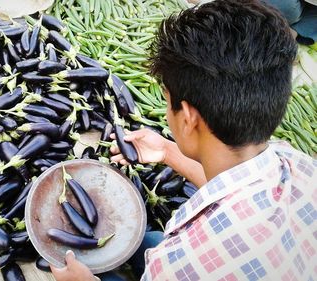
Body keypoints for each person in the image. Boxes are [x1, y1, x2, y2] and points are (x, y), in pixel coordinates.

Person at [49, 0, 316, 280]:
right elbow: (235, 185)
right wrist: (167, 151)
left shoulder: (180, 265)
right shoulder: (297, 164)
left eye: (167, 102)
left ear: (188, 118)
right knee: (150, 240)